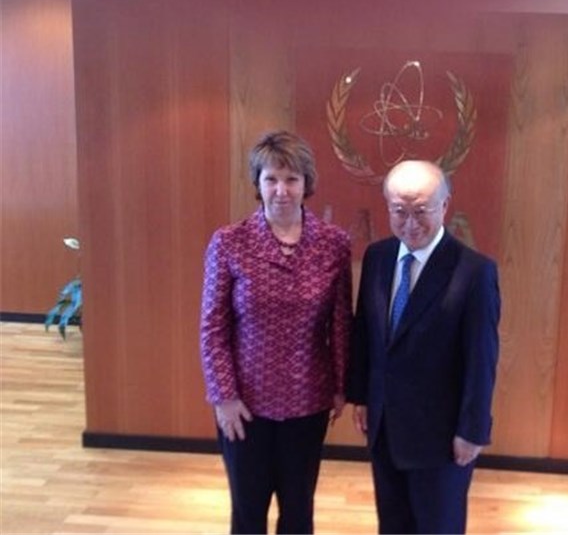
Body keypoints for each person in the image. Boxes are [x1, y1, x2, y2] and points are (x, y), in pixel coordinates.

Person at [199, 130, 352, 534]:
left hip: (308, 401)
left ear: (306, 184)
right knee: (248, 512)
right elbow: (213, 327)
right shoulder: (229, 242)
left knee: (299, 512)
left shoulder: (334, 244)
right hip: (244, 404)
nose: (281, 190)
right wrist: (223, 396)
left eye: (291, 179)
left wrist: (342, 386)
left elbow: (341, 322)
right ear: (258, 183)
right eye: (271, 179)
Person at [345, 159, 501, 534]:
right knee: (392, 525)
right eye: (400, 211)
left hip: (441, 437)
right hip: (385, 427)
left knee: (437, 527)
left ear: (444, 206)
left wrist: (473, 429)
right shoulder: (378, 257)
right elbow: (366, 330)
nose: (410, 222)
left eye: (421, 210)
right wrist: (361, 395)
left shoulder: (474, 271)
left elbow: (481, 359)